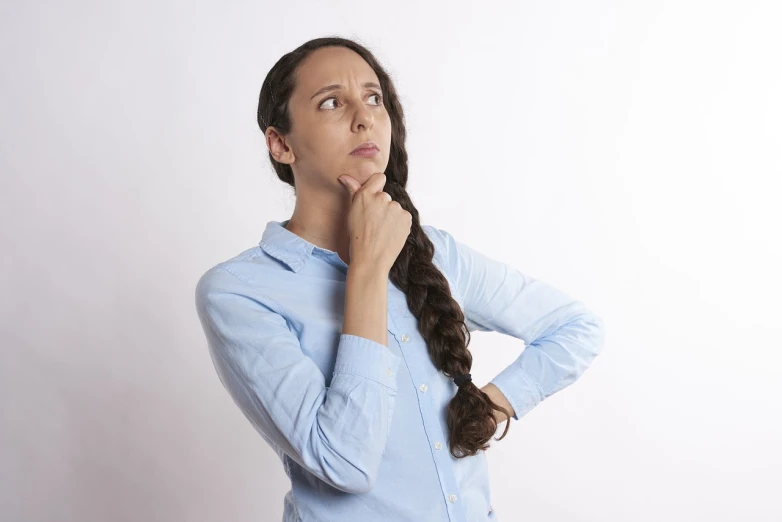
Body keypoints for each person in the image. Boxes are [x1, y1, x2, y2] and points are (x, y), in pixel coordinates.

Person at [194, 36, 606, 522]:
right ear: (281, 144)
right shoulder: (240, 292)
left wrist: (487, 408)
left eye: (374, 98)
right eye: (331, 102)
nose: (364, 116)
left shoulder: (434, 253)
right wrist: (367, 269)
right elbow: (345, 462)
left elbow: (575, 328)